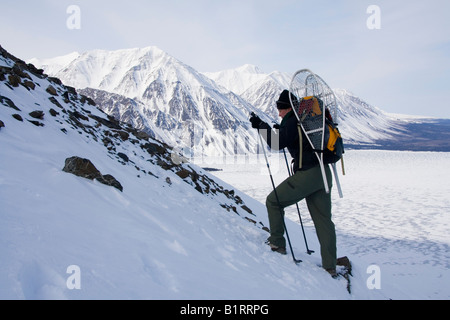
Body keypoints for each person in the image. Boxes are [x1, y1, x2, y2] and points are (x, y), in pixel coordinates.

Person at [249, 89, 337, 277]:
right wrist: (278, 129)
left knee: (273, 201)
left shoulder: (292, 120)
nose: (279, 113)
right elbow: (294, 138)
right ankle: (330, 266)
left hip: (308, 175)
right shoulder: (305, 120)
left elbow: (276, 143)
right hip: (323, 173)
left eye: (280, 109)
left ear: (287, 108)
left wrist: (260, 126)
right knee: (323, 220)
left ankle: (277, 243)